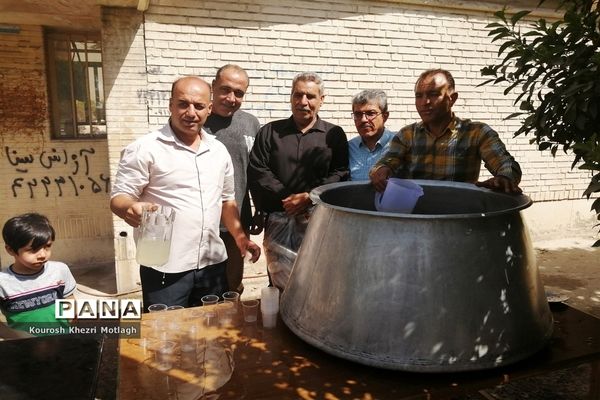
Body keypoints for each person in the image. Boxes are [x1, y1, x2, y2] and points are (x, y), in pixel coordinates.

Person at [110, 76, 260, 311]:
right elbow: (120, 196)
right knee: (167, 339)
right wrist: (129, 208)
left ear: (209, 109)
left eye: (199, 106)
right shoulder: (145, 148)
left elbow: (226, 201)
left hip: (212, 264)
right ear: (170, 105)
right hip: (164, 266)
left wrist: (240, 238)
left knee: (212, 334)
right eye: (183, 104)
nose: (191, 112)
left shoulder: (218, 151)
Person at [248, 72, 349, 290]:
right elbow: (258, 169)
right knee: (279, 279)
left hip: (318, 223)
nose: (303, 102)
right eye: (298, 95)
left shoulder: (334, 134)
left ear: (321, 100)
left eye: (310, 96)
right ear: (291, 97)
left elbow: (340, 172)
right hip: (278, 219)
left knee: (317, 281)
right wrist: (287, 197)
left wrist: (310, 197)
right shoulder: (270, 132)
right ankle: (281, 322)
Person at [370, 69, 522, 194]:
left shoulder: (477, 133)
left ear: (452, 99)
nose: (425, 102)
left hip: (458, 217)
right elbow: (384, 162)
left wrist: (504, 177)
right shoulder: (407, 135)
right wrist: (381, 170)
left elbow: (506, 164)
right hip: (415, 216)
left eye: (433, 94)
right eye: (419, 96)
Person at [204, 65, 260, 294]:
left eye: (239, 93)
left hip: (238, 219)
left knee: (233, 284)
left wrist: (260, 209)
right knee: (203, 288)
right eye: (225, 90)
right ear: (212, 87)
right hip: (202, 222)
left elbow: (256, 170)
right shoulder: (197, 119)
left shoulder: (250, 123)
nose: (231, 98)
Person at [0, 213, 76, 338]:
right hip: (25, 350)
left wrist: (73, 320)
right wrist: (18, 336)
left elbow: (69, 299)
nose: (42, 255)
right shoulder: (3, 282)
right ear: (10, 250)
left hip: (65, 343)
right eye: (33, 249)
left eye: (47, 246)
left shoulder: (60, 270)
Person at [348, 90, 395, 180]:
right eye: (358, 114)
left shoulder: (399, 145)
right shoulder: (349, 148)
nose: (363, 120)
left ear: (385, 116)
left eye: (371, 113)